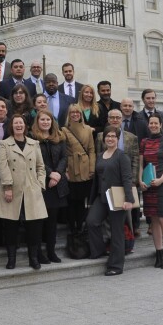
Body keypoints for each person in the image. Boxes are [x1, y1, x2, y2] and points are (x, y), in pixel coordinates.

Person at [0, 114, 47, 270]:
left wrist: (40, 184)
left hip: (32, 189)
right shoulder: (4, 144)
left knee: (34, 226)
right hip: (12, 189)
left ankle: (33, 258)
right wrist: (7, 187)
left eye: (21, 123)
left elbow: (41, 167)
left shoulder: (34, 143)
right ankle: (11, 259)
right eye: (15, 123)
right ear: (12, 126)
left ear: (25, 126)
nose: (18, 125)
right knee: (11, 225)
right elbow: (2, 168)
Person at [86, 125, 134, 276]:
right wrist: (91, 199)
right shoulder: (100, 155)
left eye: (113, 136)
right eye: (108, 136)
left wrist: (129, 199)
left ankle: (116, 266)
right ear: (103, 138)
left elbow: (127, 179)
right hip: (102, 197)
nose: (110, 139)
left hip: (117, 197)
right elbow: (97, 179)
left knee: (116, 231)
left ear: (117, 139)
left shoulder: (122, 156)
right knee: (91, 221)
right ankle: (99, 251)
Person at [30, 109, 68, 264]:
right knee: (39, 221)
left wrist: (58, 173)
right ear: (37, 121)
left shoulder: (59, 137)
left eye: (48, 120)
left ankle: (51, 251)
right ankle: (38, 253)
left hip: (57, 185)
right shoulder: (32, 139)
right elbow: (34, 160)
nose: (45, 122)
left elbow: (65, 157)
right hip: (40, 184)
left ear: (52, 122)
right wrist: (50, 173)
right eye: (42, 119)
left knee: (52, 221)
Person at [140, 113, 163, 269]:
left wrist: (161, 179)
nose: (153, 125)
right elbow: (141, 164)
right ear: (148, 125)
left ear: (161, 125)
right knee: (153, 219)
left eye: (156, 123)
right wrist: (140, 180)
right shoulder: (144, 142)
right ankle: (158, 253)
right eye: (151, 123)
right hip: (148, 186)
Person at [99, 108, 142, 236]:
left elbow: (135, 159)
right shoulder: (100, 136)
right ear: (108, 119)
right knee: (108, 213)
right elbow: (98, 157)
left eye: (118, 117)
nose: (115, 120)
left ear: (122, 119)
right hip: (107, 181)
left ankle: (129, 238)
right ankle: (109, 239)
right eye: (112, 117)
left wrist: (133, 180)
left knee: (126, 213)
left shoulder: (132, 137)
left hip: (126, 180)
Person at [64, 103, 96, 242]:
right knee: (72, 201)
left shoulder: (88, 129)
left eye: (77, 112)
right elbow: (63, 151)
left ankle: (81, 225)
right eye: (72, 113)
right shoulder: (64, 130)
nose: (75, 114)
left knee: (83, 200)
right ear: (69, 115)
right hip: (71, 168)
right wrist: (65, 169)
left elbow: (91, 150)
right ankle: (73, 227)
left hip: (85, 167)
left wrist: (91, 168)